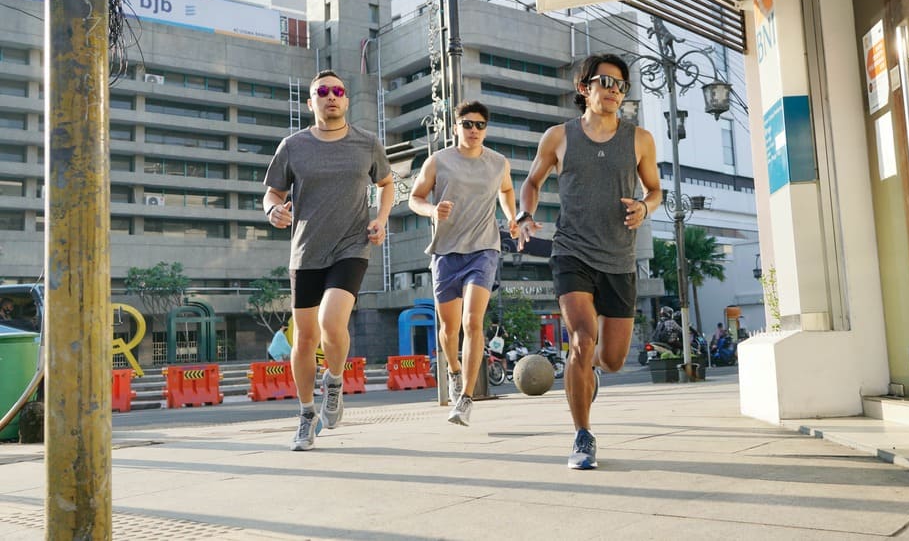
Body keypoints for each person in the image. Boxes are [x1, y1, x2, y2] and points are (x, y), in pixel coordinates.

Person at [517, 52, 660, 469]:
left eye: (621, 85)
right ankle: (583, 436)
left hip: (619, 257)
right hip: (572, 252)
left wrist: (645, 208)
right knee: (581, 339)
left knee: (611, 359)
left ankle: (588, 373)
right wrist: (525, 215)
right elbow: (532, 181)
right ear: (584, 88)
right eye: (605, 82)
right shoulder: (559, 136)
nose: (614, 91)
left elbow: (655, 190)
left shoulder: (640, 139)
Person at [264, 69, 394, 451]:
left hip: (351, 246)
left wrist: (381, 219)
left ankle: (334, 381)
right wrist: (273, 211)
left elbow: (386, 184)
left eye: (338, 90)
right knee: (304, 339)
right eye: (323, 91)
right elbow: (271, 193)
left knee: (330, 322)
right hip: (305, 251)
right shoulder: (293, 146)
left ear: (347, 100)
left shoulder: (367, 143)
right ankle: (306, 415)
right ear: (311, 102)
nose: (331, 96)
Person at [408, 101, 518, 426]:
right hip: (445, 252)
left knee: (473, 322)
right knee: (448, 329)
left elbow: (508, 189)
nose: (473, 130)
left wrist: (511, 217)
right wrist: (432, 211)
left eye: (480, 125)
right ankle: (454, 370)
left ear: (486, 129)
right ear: (455, 127)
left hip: (484, 249)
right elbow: (415, 198)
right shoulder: (438, 161)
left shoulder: (498, 163)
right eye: (467, 124)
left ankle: (467, 397)